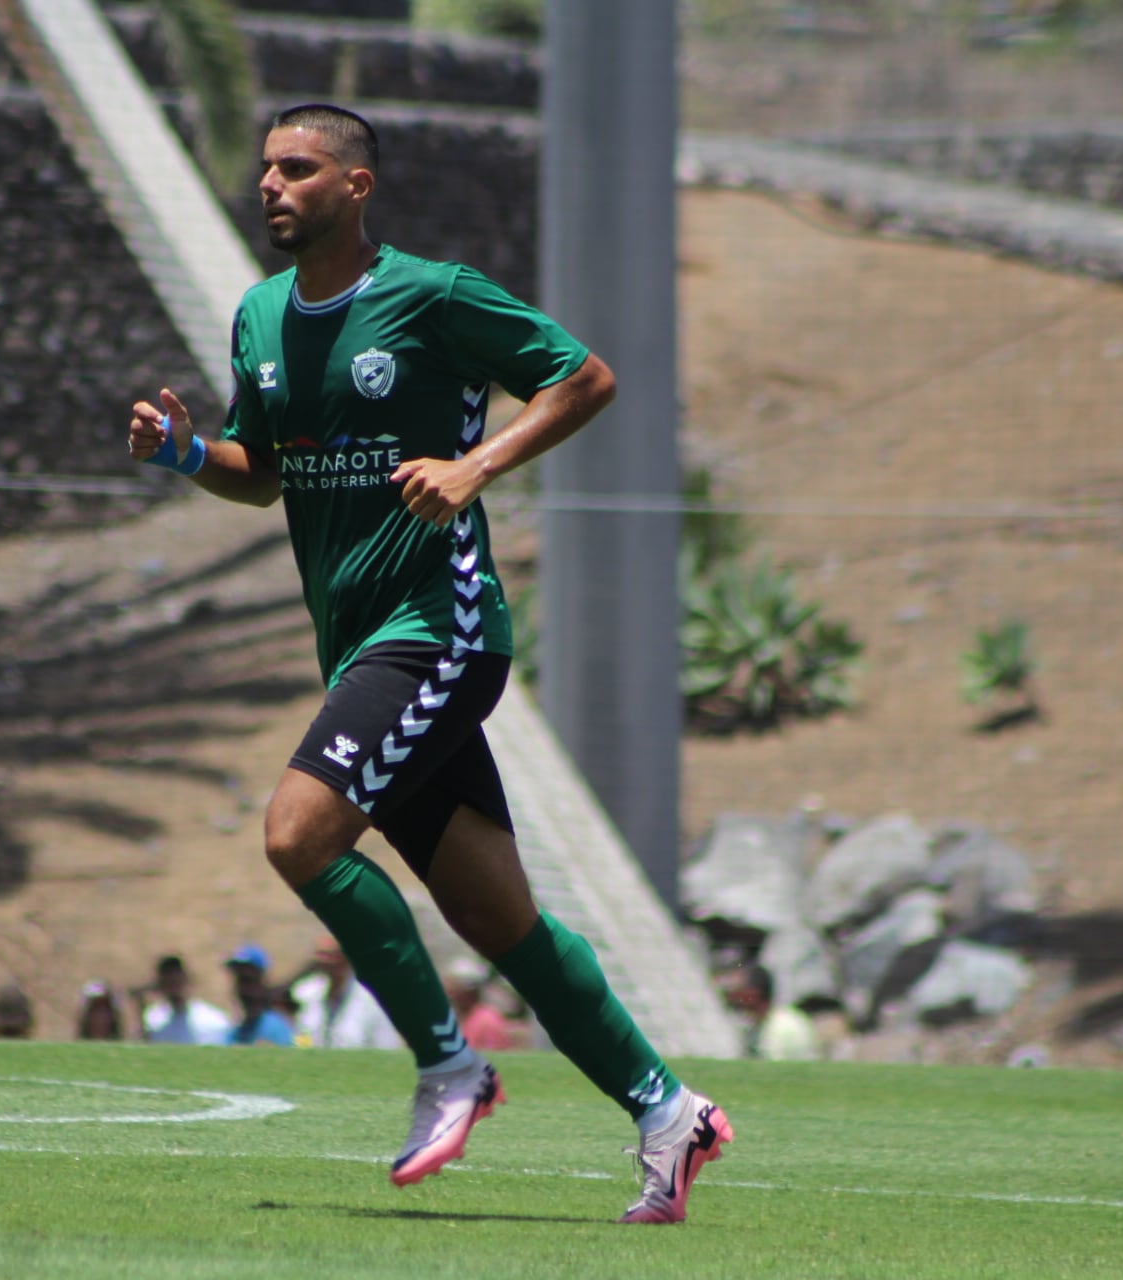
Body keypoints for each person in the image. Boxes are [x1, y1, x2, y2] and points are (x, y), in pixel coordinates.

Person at [125, 104, 732, 1221]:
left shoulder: (433, 294)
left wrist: (475, 465)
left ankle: (452, 1064)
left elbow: (583, 377)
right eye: (265, 168)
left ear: (356, 186)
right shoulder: (260, 314)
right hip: (359, 646)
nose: (271, 185)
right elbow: (260, 469)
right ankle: (668, 1110)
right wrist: (183, 453)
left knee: (297, 832)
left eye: (297, 168)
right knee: (500, 920)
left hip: (439, 627)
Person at [289, 934, 400, 1050]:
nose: (326, 962)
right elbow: (301, 1039)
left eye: (333, 956)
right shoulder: (305, 993)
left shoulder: (372, 1000)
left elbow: (386, 1048)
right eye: (322, 955)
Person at [720, 964, 820, 1063]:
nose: (733, 997)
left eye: (739, 990)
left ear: (753, 994)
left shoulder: (783, 1026)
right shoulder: (759, 1024)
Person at [132, 954, 232, 1045]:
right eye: (168, 982)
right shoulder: (154, 1018)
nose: (173, 987)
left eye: (176, 981)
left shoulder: (212, 1020)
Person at [222, 944, 296, 1046]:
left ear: (262, 981)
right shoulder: (236, 1031)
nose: (244, 990)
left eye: (249, 980)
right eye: (240, 980)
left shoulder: (276, 1026)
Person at [443, 956, 518, 1053]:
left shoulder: (487, 1020)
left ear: (468, 992)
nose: (450, 995)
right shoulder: (462, 1017)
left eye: (454, 989)